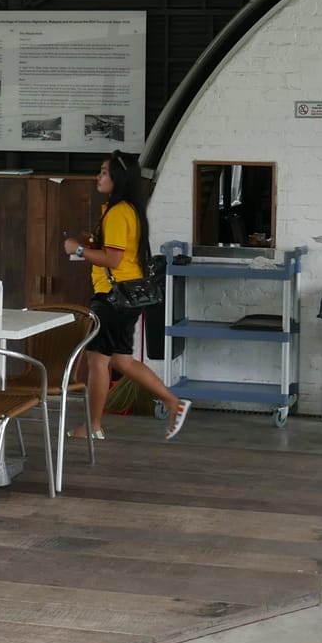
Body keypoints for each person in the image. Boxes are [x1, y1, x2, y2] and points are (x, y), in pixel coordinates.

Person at [62, 150, 191, 442]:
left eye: (104, 172)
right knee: (120, 360)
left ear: (117, 178)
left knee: (97, 361)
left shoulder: (119, 212)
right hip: (124, 296)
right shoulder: (126, 210)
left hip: (112, 297)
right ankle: (173, 402)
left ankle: (93, 426)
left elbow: (113, 260)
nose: (99, 176)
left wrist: (78, 250)